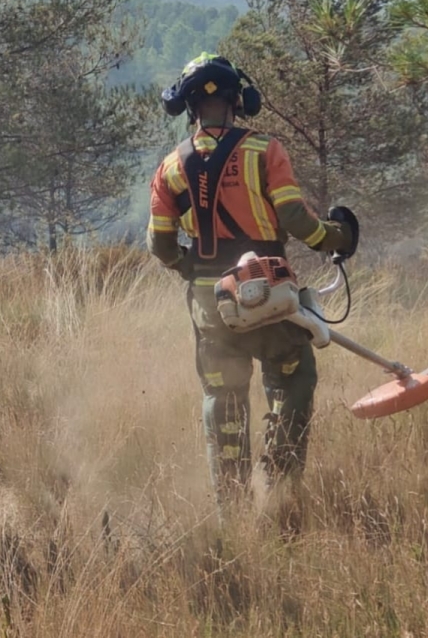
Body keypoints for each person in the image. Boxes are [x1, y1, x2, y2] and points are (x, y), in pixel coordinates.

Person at [146, 53, 359, 510]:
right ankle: (279, 492)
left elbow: (160, 246)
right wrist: (336, 237)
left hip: (211, 305)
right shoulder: (265, 151)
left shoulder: (169, 168)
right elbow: (295, 220)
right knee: (292, 378)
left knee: (222, 397)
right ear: (238, 100)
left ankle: (233, 510)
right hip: (269, 294)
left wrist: (191, 268)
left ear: (189, 108)